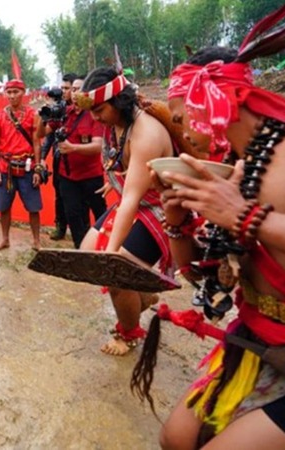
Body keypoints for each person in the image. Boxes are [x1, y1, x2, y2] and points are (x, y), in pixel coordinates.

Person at [145, 17, 285, 448]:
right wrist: (177, 222)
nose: (182, 133)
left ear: (210, 98)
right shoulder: (233, 170)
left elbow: (248, 221)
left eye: (181, 118)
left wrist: (244, 216)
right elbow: (199, 277)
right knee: (175, 438)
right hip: (257, 335)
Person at [74, 68, 174, 356]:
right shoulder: (115, 122)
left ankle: (128, 332)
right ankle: (142, 294)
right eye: (91, 111)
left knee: (115, 274)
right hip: (133, 200)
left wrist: (112, 255)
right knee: (88, 252)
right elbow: (124, 170)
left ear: (118, 101)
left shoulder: (147, 132)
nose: (95, 118)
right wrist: (117, 180)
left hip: (159, 208)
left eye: (99, 110)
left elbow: (131, 198)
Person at [41, 77, 107, 249]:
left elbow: (98, 146)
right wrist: (43, 116)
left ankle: (104, 248)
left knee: (100, 213)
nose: (74, 93)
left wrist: (73, 148)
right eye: (73, 89)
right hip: (67, 176)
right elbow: (42, 133)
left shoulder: (94, 114)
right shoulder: (64, 113)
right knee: (72, 214)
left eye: (79, 89)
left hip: (91, 176)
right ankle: (81, 248)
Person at [0, 79, 43, 251]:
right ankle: (5, 239)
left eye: (16, 92)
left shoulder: (33, 115)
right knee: (4, 207)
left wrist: (37, 169)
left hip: (27, 168)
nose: (12, 96)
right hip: (6, 169)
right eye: (9, 92)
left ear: (23, 92)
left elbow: (37, 143)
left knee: (33, 208)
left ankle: (36, 241)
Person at [43, 75, 75, 240]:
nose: (64, 92)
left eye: (67, 88)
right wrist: (42, 158)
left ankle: (82, 231)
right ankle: (60, 227)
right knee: (60, 194)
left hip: (78, 160)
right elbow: (48, 137)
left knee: (80, 198)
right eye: (62, 88)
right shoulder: (58, 109)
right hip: (59, 159)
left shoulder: (82, 110)